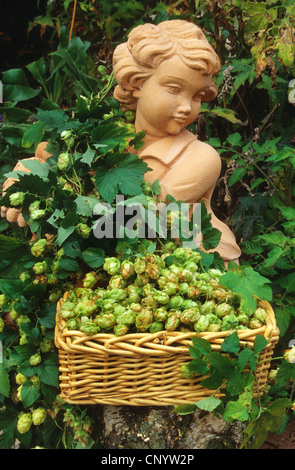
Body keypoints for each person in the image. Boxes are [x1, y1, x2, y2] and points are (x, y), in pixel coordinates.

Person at [112, 19, 241, 264]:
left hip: (195, 265)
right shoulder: (114, 140)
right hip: (135, 265)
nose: (186, 107)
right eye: (174, 89)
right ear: (136, 82)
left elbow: (148, 214)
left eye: (197, 96)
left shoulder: (201, 158)